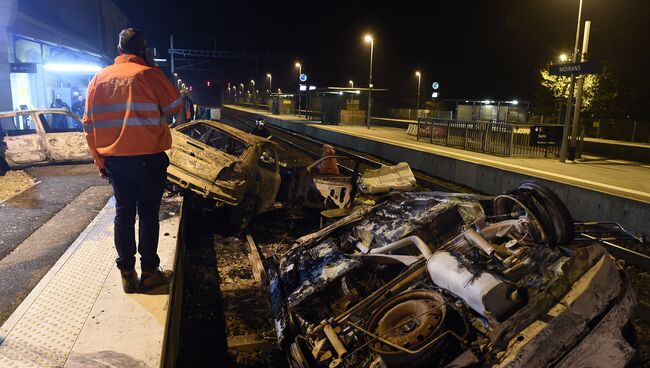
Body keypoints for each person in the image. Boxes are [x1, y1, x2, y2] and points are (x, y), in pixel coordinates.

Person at [82, 28, 182, 293]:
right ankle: (149, 272)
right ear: (143, 49)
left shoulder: (98, 78)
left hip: (115, 161)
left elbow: (88, 124)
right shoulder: (150, 74)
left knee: (123, 214)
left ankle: (127, 273)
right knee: (148, 214)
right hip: (149, 158)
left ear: (119, 50)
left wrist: (99, 160)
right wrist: (151, 68)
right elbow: (175, 107)